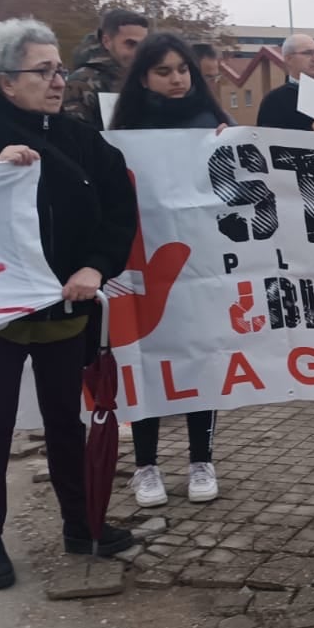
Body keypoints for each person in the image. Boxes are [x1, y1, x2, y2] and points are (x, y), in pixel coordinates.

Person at [0, 18, 140, 590]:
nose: (58, 80)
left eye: (59, 68)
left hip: (66, 312)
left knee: (68, 422)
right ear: (4, 81)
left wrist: (97, 266)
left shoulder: (85, 140)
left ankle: (80, 523)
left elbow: (119, 210)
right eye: (42, 71)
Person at [107, 33, 234, 509]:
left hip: (200, 264)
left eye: (183, 69)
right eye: (164, 71)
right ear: (143, 78)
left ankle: (201, 460)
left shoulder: (213, 122)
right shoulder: (126, 131)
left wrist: (233, 146)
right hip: (142, 264)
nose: (177, 79)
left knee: (199, 358)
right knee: (147, 362)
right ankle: (146, 466)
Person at [62, 8, 150, 131]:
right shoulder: (81, 84)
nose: (138, 52)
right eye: (130, 44)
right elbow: (75, 138)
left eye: (143, 45)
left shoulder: (148, 80)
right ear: (107, 41)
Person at [258, 33, 314, 131]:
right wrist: (311, 131)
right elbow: (269, 140)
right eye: (308, 53)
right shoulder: (275, 100)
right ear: (289, 59)